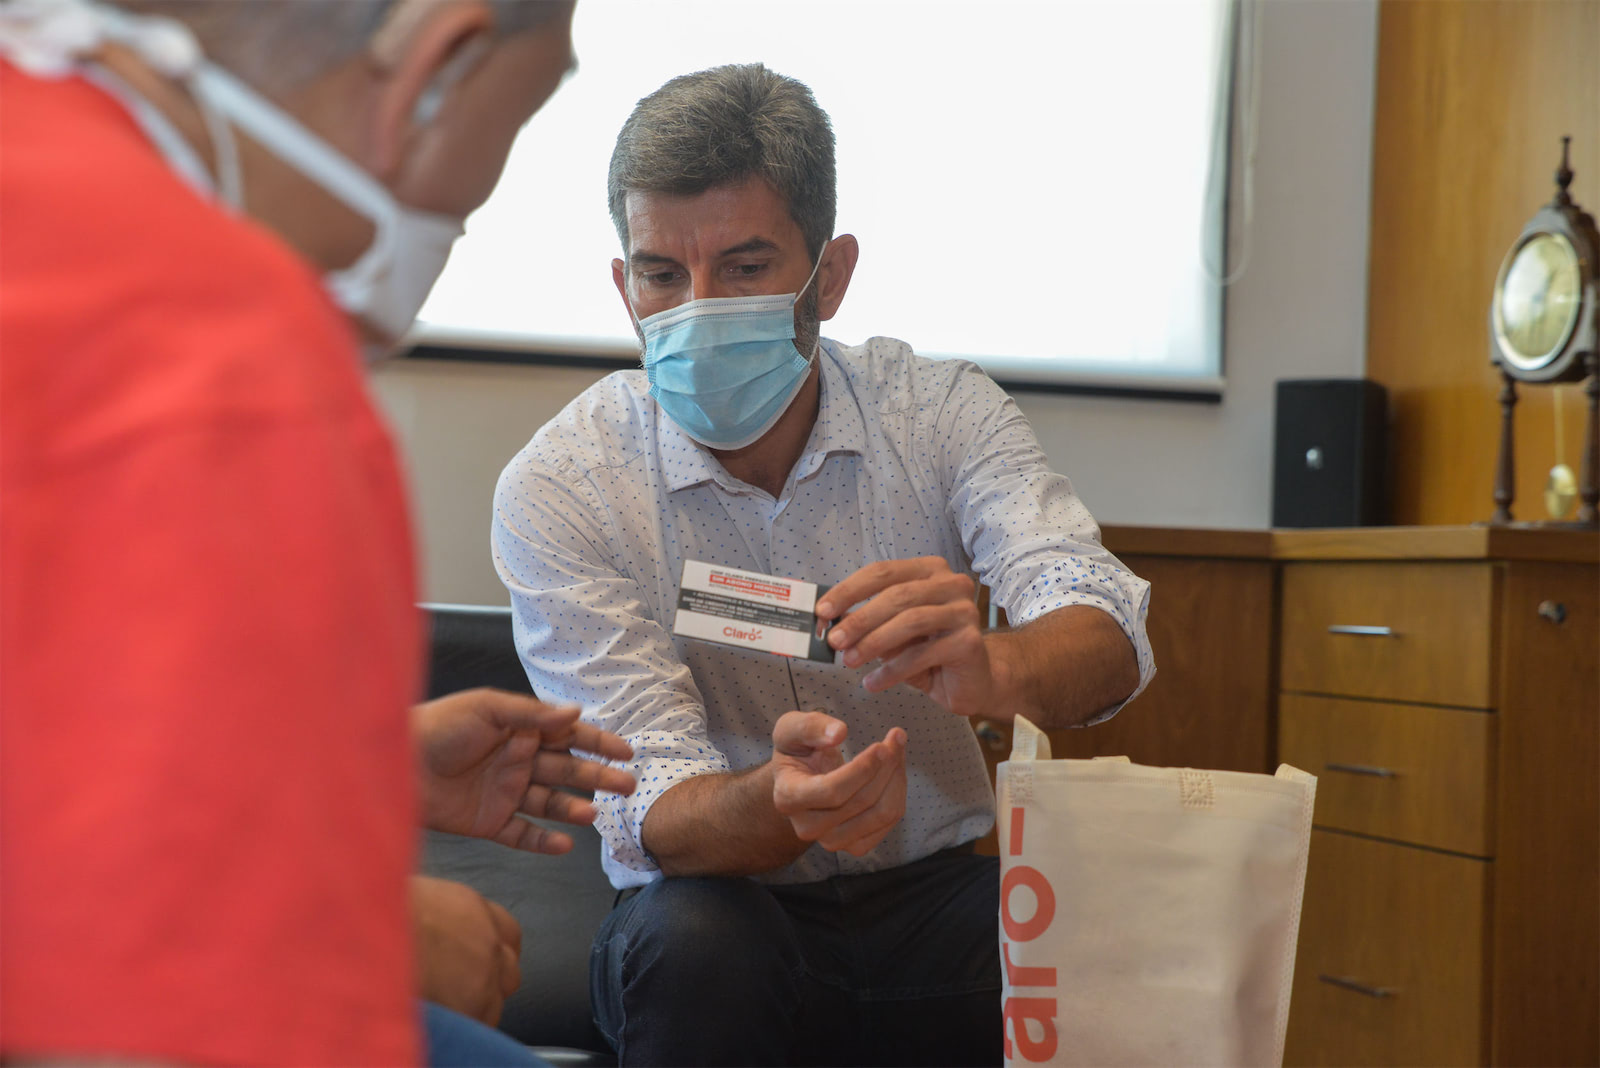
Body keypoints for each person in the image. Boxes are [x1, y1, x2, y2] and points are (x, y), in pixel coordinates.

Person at [0, 1, 635, 1065]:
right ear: (438, 70)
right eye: (519, 114)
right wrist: (366, 931)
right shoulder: (226, 358)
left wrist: (358, 771)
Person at [491, 62, 1156, 1067]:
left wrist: (998, 667)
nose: (697, 310)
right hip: (720, 906)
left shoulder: (936, 412)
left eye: (745, 267)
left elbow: (1104, 624)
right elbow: (653, 804)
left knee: (1100, 937)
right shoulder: (565, 484)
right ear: (624, 286)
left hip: (931, 896)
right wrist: (781, 803)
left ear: (829, 276)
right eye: (662, 275)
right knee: (695, 944)